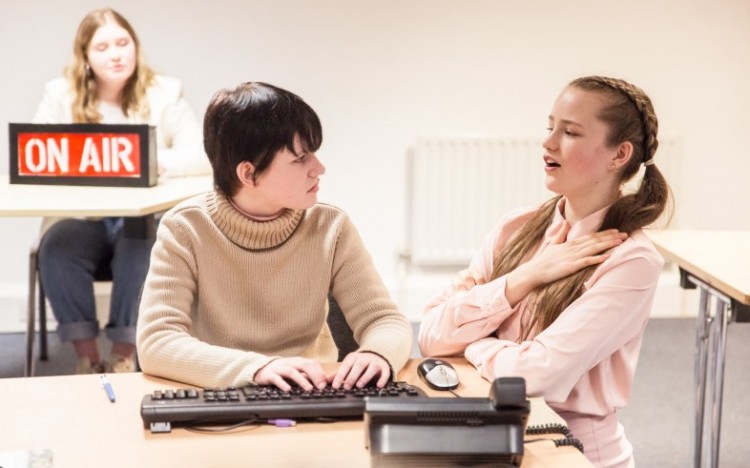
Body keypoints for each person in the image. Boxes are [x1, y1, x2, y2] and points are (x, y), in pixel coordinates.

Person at [418, 76, 671, 468]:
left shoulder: (631, 262)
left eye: (570, 132)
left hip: (570, 449)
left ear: (619, 154)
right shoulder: (514, 228)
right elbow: (432, 336)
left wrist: (472, 344)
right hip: (490, 437)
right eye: (550, 126)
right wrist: (525, 277)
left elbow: (535, 376)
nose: (549, 142)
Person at [136, 82, 413, 391]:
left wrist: (377, 353)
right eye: (300, 158)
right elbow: (156, 342)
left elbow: (386, 321)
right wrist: (258, 368)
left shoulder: (331, 226)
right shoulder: (185, 228)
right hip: (221, 394)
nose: (319, 168)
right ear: (248, 174)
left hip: (312, 391)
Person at [32, 8, 208, 374]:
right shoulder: (59, 94)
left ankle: (124, 356)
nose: (115, 54)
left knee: (142, 243)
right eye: (102, 47)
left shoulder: (165, 91)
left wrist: (151, 160)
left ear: (135, 48)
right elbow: (36, 154)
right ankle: (88, 357)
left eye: (123, 43)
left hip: (139, 217)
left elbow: (201, 154)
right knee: (56, 247)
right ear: (85, 57)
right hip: (83, 218)